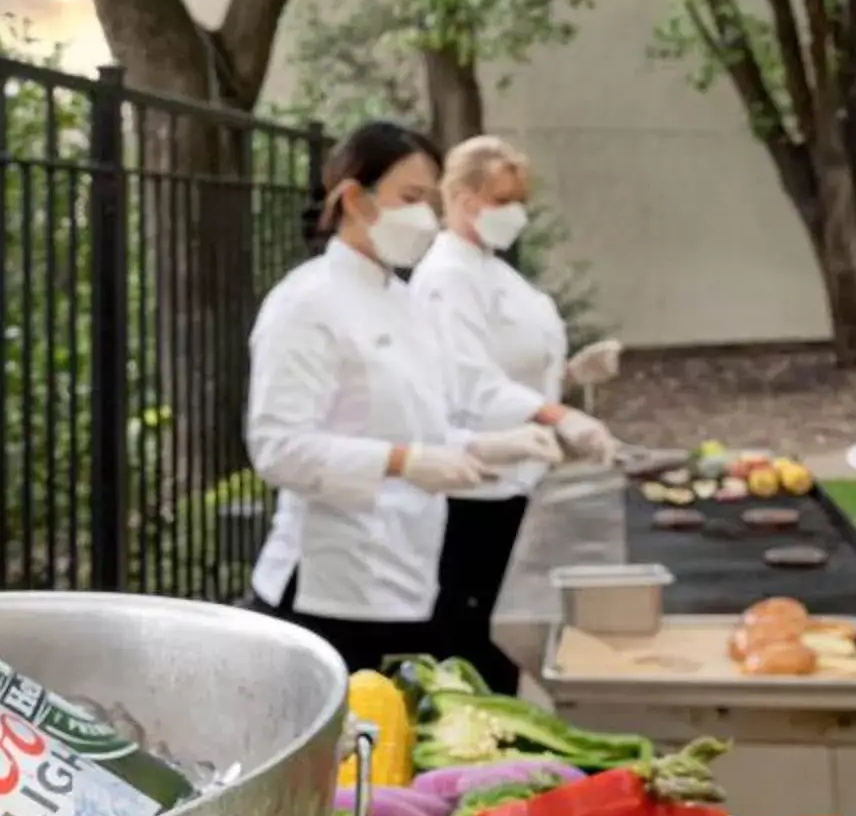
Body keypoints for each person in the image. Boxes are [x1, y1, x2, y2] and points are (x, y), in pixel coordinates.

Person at [245, 121, 614, 679]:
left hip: (405, 575)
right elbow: (279, 448)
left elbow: (426, 427)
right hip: (328, 586)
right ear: (353, 199)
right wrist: (404, 463)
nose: (426, 217)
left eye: (429, 199)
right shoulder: (306, 304)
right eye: (410, 199)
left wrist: (493, 447)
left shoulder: (402, 299)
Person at [412, 135, 624, 692]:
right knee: (472, 643)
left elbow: (514, 365)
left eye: (519, 198)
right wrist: (559, 417)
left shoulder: (490, 268)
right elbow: (471, 383)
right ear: (461, 198)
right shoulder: (446, 278)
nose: (515, 212)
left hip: (515, 479)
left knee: (499, 639)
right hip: (472, 488)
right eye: (503, 199)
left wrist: (574, 376)